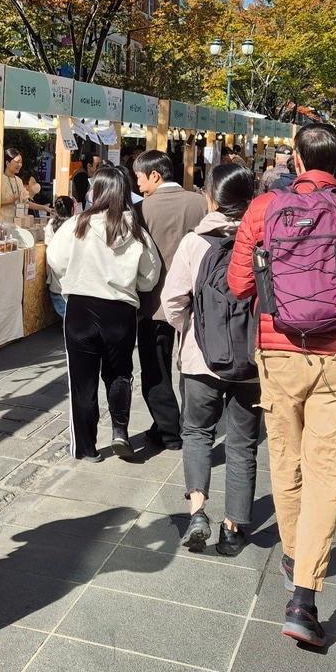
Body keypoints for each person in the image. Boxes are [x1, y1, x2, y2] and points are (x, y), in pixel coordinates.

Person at [228, 123, 336, 648]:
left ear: (296, 161)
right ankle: (303, 597)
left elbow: (238, 285)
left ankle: (296, 552)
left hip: (278, 350)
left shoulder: (262, 209)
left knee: (286, 461)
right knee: (327, 472)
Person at [161, 164, 261, 557]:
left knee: (198, 433)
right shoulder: (264, 238)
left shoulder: (195, 242)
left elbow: (172, 302)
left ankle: (198, 511)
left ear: (212, 198)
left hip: (201, 359)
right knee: (242, 443)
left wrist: (193, 331)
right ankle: (234, 526)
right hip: (253, 361)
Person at [47, 166, 159, 463]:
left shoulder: (76, 224)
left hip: (81, 309)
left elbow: (55, 260)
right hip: (120, 312)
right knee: (120, 373)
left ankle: (86, 447)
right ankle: (120, 431)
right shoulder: (136, 230)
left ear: (94, 191)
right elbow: (150, 276)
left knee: (82, 382)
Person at [132, 149, 209, 452]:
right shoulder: (201, 202)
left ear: (155, 174)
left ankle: (168, 430)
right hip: (197, 298)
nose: (138, 185)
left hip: (154, 303)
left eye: (139, 178)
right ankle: (191, 422)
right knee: (193, 363)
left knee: (156, 367)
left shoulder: (141, 210)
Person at [44, 195, 76, 318]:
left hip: (56, 271)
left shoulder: (51, 224)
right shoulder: (76, 224)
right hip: (72, 273)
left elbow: (48, 248)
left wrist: (48, 274)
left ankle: (67, 323)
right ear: (72, 209)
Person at [0, 148, 50, 220]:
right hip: (3, 224)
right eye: (17, 162)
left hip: (18, 224)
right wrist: (9, 202)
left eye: (21, 162)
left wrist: (44, 208)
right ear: (7, 163)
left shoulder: (19, 181)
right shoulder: (0, 180)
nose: (20, 165)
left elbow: (26, 202)